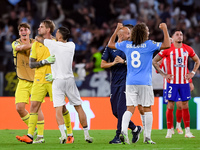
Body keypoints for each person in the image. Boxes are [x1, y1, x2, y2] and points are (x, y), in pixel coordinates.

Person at [108, 22, 171, 144]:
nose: (149, 32)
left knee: (130, 108)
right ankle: (147, 138)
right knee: (147, 108)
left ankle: (123, 131)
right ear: (143, 33)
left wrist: (116, 30)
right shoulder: (149, 45)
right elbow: (167, 44)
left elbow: (110, 44)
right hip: (144, 82)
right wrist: (165, 29)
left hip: (130, 82)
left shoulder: (127, 44)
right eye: (147, 30)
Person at [16, 20, 73, 144]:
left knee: (62, 108)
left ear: (48, 30)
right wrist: (44, 62)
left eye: (41, 27)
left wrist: (55, 75)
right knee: (33, 107)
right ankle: (31, 136)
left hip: (54, 81)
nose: (38, 28)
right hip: (38, 80)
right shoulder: (36, 44)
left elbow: (63, 62)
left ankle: (69, 134)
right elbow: (31, 64)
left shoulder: (56, 43)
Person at [35, 26, 93, 143]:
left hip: (58, 80)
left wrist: (47, 33)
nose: (55, 34)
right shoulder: (72, 45)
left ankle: (63, 135)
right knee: (79, 107)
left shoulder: (52, 44)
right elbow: (57, 41)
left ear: (60, 36)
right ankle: (87, 135)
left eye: (57, 33)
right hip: (70, 80)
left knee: (58, 109)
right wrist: (53, 37)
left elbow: (37, 38)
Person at [153, 29, 200, 138]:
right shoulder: (167, 51)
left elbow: (197, 61)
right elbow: (154, 61)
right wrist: (164, 74)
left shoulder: (187, 49)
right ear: (173, 38)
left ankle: (187, 131)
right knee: (170, 105)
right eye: (177, 35)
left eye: (181, 34)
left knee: (184, 105)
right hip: (171, 83)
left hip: (184, 83)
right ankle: (169, 130)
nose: (179, 36)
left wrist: (192, 74)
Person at [101, 24, 143, 144]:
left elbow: (137, 64)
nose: (130, 36)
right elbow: (103, 64)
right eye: (128, 33)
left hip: (127, 81)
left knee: (121, 109)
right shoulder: (110, 48)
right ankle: (135, 128)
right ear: (121, 34)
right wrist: (113, 63)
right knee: (115, 111)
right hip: (114, 82)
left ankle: (118, 136)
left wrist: (124, 62)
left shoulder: (131, 46)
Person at [12, 23, 44, 141]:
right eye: (21, 30)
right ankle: (34, 129)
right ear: (19, 33)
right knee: (19, 108)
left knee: (37, 108)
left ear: (29, 31)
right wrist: (36, 43)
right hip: (22, 81)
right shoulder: (16, 43)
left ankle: (40, 136)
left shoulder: (37, 43)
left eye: (25, 29)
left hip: (36, 80)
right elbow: (19, 48)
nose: (23, 32)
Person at [160, 57, 194, 137]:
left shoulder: (179, 54)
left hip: (180, 84)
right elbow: (158, 70)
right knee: (169, 106)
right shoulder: (164, 55)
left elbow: (185, 69)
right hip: (168, 85)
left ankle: (178, 125)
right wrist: (159, 64)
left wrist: (190, 81)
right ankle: (170, 127)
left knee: (180, 105)